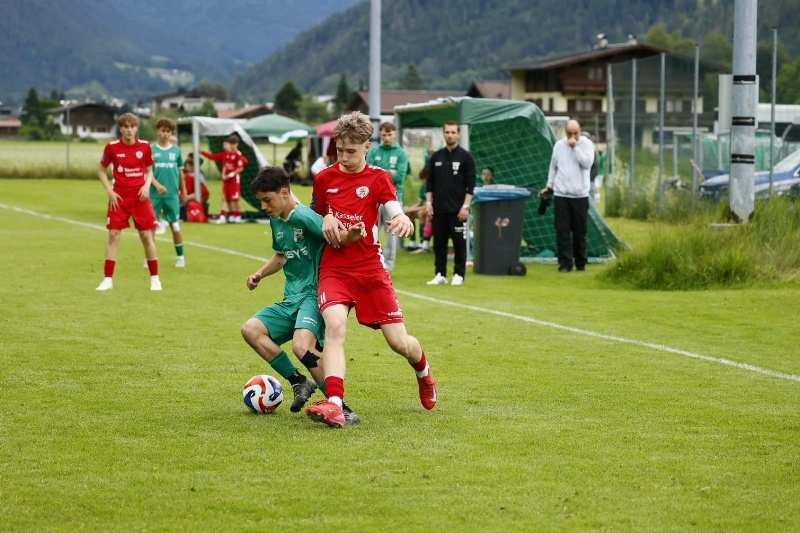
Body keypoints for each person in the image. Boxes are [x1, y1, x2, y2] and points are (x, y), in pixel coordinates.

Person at [307, 111, 437, 428]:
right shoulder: (324, 179)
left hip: (370, 271)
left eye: (351, 151)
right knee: (335, 327)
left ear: (367, 146)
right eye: (340, 150)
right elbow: (314, 220)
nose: (344, 157)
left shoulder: (378, 178)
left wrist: (402, 218)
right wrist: (324, 219)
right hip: (335, 268)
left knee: (399, 343)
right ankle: (335, 403)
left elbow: (393, 208)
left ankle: (423, 371)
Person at [242, 166, 366, 422]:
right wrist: (260, 274)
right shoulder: (276, 219)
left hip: (313, 295)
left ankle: (341, 407)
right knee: (251, 330)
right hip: (291, 298)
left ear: (284, 193)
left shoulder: (305, 216)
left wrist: (352, 234)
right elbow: (281, 255)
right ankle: (299, 381)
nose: (263, 206)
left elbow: (338, 236)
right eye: (261, 201)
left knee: (301, 346)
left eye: (267, 200)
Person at [95, 112, 162, 291]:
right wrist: (110, 191)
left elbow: (149, 171)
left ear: (136, 128)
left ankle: (155, 279)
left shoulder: (145, 147)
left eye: (132, 127)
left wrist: (146, 186)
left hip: (140, 198)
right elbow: (101, 170)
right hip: (119, 198)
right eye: (126, 127)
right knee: (113, 235)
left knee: (146, 236)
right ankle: (107, 280)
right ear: (121, 129)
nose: (129, 130)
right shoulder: (112, 147)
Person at [424, 121, 476, 286]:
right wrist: (428, 203)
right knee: (439, 244)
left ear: (458, 134)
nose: (450, 135)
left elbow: (471, 185)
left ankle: (459, 274)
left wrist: (466, 206)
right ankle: (440, 274)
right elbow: (430, 183)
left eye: (453, 132)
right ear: (443, 133)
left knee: (459, 244)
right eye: (447, 132)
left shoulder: (466, 157)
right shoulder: (436, 157)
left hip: (458, 210)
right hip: (438, 209)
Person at [540, 119, 594, 272]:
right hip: (561, 195)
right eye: (569, 133)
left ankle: (581, 262)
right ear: (565, 132)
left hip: (580, 196)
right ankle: (565, 263)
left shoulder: (587, 144)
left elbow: (587, 163)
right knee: (562, 230)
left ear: (579, 131)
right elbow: (553, 167)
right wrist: (549, 186)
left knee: (580, 232)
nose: (572, 136)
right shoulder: (559, 145)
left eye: (575, 133)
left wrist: (575, 147)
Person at [366, 121, 409, 272]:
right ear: (380, 135)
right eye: (384, 135)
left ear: (395, 134)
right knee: (371, 233)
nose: (387, 138)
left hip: (394, 199)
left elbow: (400, 176)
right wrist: (389, 173)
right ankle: (370, 265)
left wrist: (380, 173)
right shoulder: (374, 151)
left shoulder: (401, 153)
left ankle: (387, 269)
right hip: (374, 200)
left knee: (392, 236)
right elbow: (368, 174)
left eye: (389, 134)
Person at [149, 118, 187, 267]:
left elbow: (181, 172)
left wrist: (184, 191)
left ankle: (180, 257)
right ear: (157, 131)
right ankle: (150, 258)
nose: (165, 134)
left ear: (171, 133)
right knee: (152, 227)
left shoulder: (176, 150)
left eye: (168, 131)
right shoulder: (151, 150)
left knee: (175, 226)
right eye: (163, 131)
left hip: (172, 195)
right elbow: (147, 172)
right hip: (154, 195)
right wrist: (157, 185)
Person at [202, 135, 248, 224]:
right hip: (226, 180)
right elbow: (224, 165)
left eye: (231, 144)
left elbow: (242, 166)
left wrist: (230, 175)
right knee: (228, 198)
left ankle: (238, 215)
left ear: (236, 144)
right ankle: (232, 215)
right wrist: (223, 174)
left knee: (235, 198)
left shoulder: (238, 154)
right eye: (230, 144)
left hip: (234, 179)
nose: (230, 146)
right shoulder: (226, 154)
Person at [406, 166, 432, 252]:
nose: (422, 181)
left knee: (421, 213)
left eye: (423, 179)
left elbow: (430, 205)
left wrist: (410, 209)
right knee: (409, 214)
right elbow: (419, 203)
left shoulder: (433, 186)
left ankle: (422, 242)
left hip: (432, 210)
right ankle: (412, 243)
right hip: (425, 208)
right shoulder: (423, 187)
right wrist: (409, 209)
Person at [180, 153, 210, 220]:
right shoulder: (185, 177)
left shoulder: (197, 176)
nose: (187, 168)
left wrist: (186, 197)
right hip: (186, 198)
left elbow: (202, 192)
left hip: (194, 199)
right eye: (186, 166)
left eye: (189, 166)